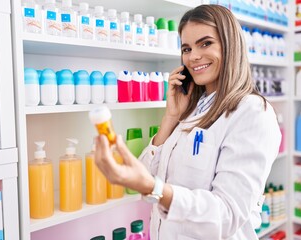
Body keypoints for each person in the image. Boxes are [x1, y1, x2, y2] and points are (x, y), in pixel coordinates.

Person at [94, 4, 281, 240]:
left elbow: (227, 214)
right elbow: (145, 173)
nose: (193, 56)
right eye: (186, 48)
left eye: (206, 43)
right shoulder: (193, 108)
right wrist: (171, 118)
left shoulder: (253, 113)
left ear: (231, 45)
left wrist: (155, 190)